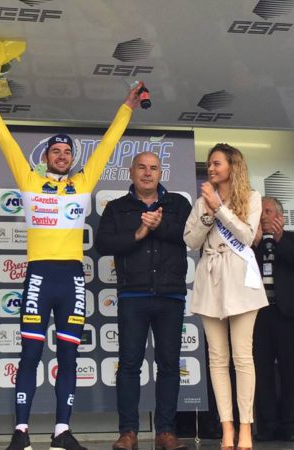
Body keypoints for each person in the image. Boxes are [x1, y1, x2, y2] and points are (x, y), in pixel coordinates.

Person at [0, 86, 141, 450]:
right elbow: (5, 141)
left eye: (68, 152)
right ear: (46, 156)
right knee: (30, 355)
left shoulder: (82, 183)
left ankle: (61, 431)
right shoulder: (29, 180)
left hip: (71, 279)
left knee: (69, 356)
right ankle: (21, 431)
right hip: (39, 276)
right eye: (57, 151)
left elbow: (107, 146)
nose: (63, 156)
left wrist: (127, 107)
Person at [95, 152, 192, 450]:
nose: (148, 173)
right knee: (129, 365)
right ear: (131, 172)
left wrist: (160, 226)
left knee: (169, 366)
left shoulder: (178, 204)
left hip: (171, 295)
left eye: (153, 168)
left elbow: (191, 236)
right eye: (142, 167)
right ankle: (128, 432)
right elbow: (103, 244)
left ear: (160, 173)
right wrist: (137, 233)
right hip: (133, 295)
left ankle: (166, 432)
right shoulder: (116, 207)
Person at [184, 143, 267, 450]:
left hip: (240, 277)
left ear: (233, 166)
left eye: (217, 163)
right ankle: (226, 427)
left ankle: (246, 427)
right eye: (209, 163)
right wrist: (207, 214)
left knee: (242, 357)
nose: (211, 168)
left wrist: (219, 207)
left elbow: (246, 236)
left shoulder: (251, 197)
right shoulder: (201, 201)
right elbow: (190, 240)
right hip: (210, 277)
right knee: (217, 359)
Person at [252, 196, 294, 442]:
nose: (263, 216)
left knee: (289, 370)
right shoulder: (250, 241)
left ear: (280, 216)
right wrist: (258, 240)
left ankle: (290, 424)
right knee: (262, 370)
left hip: (286, 313)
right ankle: (268, 424)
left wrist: (279, 237)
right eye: (259, 211)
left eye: (268, 211)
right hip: (258, 314)